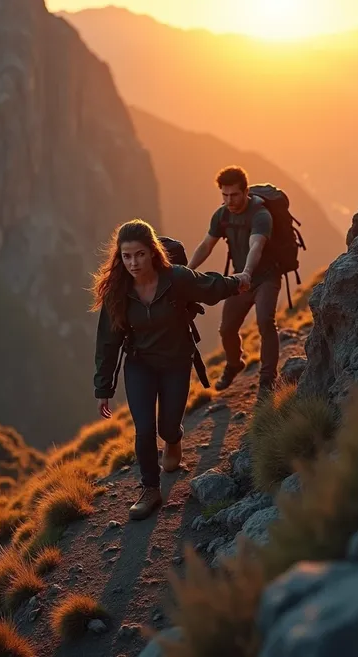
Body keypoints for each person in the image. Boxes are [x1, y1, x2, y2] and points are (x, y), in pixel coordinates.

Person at [91, 219, 248, 521]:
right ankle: (150, 489)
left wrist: (238, 281)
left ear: (152, 252)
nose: (133, 263)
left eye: (139, 254)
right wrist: (103, 388)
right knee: (145, 428)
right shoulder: (118, 291)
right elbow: (107, 342)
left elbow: (210, 286)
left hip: (176, 362)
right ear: (119, 257)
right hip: (140, 365)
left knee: (167, 426)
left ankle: (173, 438)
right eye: (126, 256)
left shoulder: (175, 278)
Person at [188, 165, 280, 399]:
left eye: (234, 195)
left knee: (265, 322)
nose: (229, 200)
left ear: (246, 191)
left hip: (265, 277)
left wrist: (247, 273)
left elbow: (256, 246)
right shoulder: (222, 215)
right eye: (224, 195)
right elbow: (206, 245)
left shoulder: (261, 215)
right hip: (240, 279)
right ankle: (234, 363)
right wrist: (187, 272)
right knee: (227, 329)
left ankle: (267, 380)